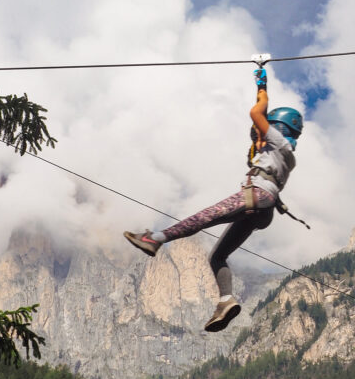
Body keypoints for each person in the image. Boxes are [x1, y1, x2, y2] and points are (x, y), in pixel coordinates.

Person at [124, 63, 303, 332]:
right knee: (217, 257)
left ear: (277, 126)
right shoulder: (285, 153)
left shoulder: (277, 139)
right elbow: (258, 129)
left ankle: (155, 239)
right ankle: (225, 300)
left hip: (257, 196)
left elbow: (256, 113)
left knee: (203, 217)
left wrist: (262, 84)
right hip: (264, 209)